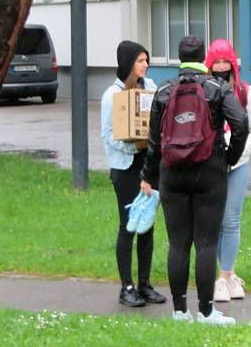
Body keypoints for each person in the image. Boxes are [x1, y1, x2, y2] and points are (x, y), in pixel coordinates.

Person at [140, 35, 248, 325]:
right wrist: (229, 158)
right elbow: (240, 123)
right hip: (209, 171)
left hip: (171, 173)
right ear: (203, 57)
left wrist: (149, 176)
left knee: (178, 243)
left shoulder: (163, 90)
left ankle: (178, 311)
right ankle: (207, 311)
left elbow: (153, 140)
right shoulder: (217, 87)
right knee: (206, 243)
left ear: (179, 56)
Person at [100, 40, 166, 308]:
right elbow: (108, 135)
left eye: (146, 60)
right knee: (129, 225)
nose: (146, 65)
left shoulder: (150, 89)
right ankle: (126, 287)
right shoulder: (111, 95)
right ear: (128, 63)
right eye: (140, 60)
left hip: (149, 167)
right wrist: (133, 144)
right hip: (126, 168)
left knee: (147, 225)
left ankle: (144, 284)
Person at [204, 39, 251, 302]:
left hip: (237, 165)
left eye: (224, 61)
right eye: (215, 61)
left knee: (231, 220)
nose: (220, 66)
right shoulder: (203, 90)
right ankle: (227, 275)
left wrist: (239, 153)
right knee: (215, 222)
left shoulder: (243, 91)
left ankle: (225, 276)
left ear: (232, 62)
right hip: (211, 165)